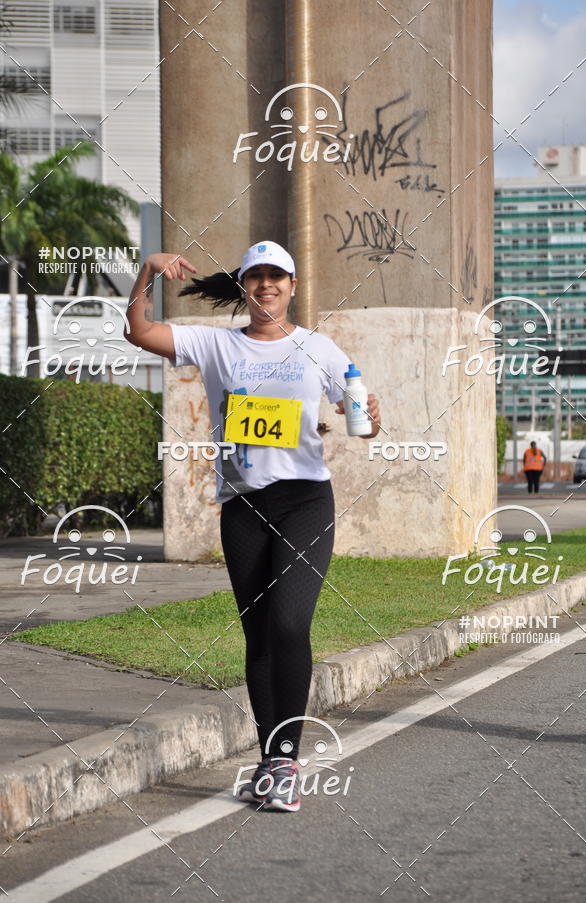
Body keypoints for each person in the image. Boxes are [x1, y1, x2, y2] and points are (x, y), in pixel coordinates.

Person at [124, 240, 381, 812]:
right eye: (256, 277)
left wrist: (366, 415)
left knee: (290, 623)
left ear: (292, 287)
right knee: (259, 633)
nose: (267, 285)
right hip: (242, 506)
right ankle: (272, 760)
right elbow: (139, 332)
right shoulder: (216, 345)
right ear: (243, 287)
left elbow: (362, 419)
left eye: (277, 277)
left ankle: (286, 761)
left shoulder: (317, 348)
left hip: (305, 502)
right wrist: (146, 273)